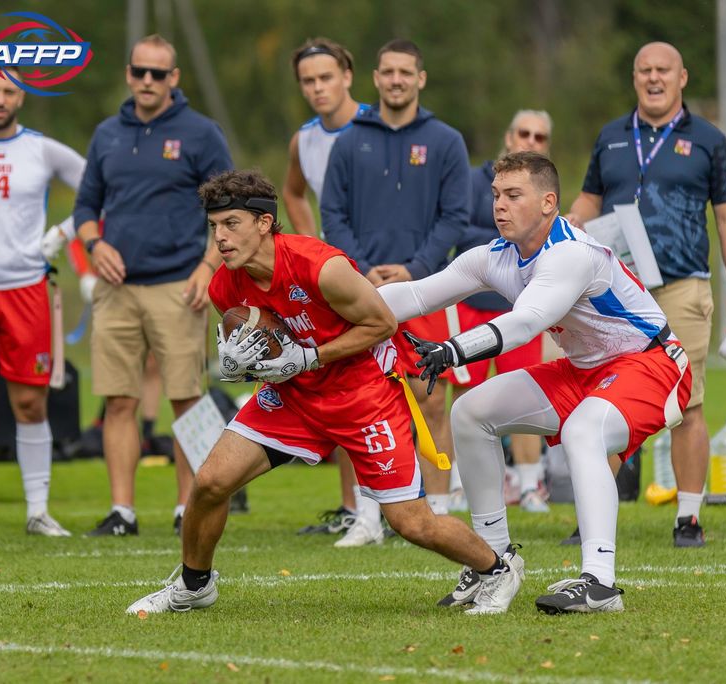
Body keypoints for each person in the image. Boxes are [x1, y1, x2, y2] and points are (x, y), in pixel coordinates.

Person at [125, 169, 524, 616]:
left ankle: (498, 568)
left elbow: (382, 325)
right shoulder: (225, 284)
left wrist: (309, 357)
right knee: (211, 482)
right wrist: (250, 361)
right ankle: (194, 584)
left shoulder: (321, 266)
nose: (220, 237)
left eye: (231, 223)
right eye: (214, 226)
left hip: (363, 395)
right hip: (295, 395)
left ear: (263, 223)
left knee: (412, 523)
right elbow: (274, 341)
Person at [380, 151, 692, 613]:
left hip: (652, 363)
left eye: (513, 195)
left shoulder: (572, 253)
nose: (498, 206)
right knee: (470, 413)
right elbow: (417, 293)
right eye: (495, 195)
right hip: (585, 370)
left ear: (549, 203)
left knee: (582, 431)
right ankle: (494, 563)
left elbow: (526, 323)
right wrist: (326, 312)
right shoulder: (496, 256)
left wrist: (452, 350)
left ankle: (599, 583)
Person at [565, 41, 726, 547]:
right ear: (634, 78)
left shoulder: (709, 139)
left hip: (680, 286)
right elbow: (590, 196)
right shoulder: (611, 137)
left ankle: (688, 517)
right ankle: (593, 513)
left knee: (686, 402)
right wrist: (572, 220)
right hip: (616, 294)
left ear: (682, 77)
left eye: (663, 70)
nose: (654, 78)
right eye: (644, 70)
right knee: (602, 399)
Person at [73, 34, 233, 536]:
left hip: (178, 285)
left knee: (187, 398)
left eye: (157, 74)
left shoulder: (200, 133)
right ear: (128, 73)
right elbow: (83, 208)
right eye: (139, 71)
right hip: (116, 289)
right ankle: (123, 511)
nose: (147, 81)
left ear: (174, 78)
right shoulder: (106, 134)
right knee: (119, 400)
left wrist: (208, 267)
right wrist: (96, 245)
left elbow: (227, 208)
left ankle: (192, 506)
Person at [322, 39, 469, 545]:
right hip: (359, 292)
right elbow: (331, 215)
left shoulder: (446, 140)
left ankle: (440, 507)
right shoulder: (348, 141)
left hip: (424, 289)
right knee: (358, 401)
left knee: (431, 397)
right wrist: (359, 274)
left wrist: (415, 269)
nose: (397, 80)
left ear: (420, 79)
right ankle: (368, 517)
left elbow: (455, 216)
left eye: (406, 72)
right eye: (388, 72)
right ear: (375, 78)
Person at [0, 67, 84, 538]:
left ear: (22, 97)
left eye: (8, 91)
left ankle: (38, 511)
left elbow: (97, 186)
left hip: (27, 289)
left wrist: (63, 233)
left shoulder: (42, 149)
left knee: (31, 403)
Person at [282, 37, 370, 538]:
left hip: (386, 270)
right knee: (343, 383)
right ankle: (352, 505)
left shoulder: (378, 126)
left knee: (417, 390)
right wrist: (311, 243)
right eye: (308, 81)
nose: (317, 88)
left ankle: (431, 496)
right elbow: (294, 192)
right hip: (334, 277)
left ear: (347, 76)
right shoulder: (304, 139)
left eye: (326, 78)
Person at [449, 109, 552, 514]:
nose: (530, 140)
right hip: (474, 303)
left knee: (524, 395)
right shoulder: (477, 181)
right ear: (509, 137)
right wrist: (511, 236)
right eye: (523, 132)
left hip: (523, 309)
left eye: (539, 136)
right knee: (464, 395)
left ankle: (530, 486)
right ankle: (459, 484)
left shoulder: (546, 188)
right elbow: (459, 231)